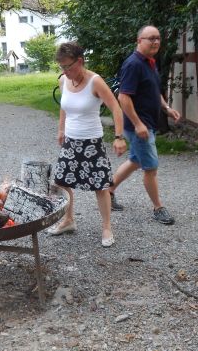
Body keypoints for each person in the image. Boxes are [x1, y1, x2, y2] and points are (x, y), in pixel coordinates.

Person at [48, 42, 127, 247]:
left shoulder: (95, 82)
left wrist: (119, 137)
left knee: (100, 186)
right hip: (70, 141)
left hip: (92, 143)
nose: (65, 71)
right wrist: (61, 129)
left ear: (80, 61)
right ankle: (68, 220)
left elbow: (116, 108)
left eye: (68, 66)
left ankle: (107, 227)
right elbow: (64, 106)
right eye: (61, 67)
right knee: (62, 181)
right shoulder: (64, 80)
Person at [108, 25, 181, 225]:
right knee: (151, 167)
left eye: (158, 38)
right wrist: (138, 124)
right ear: (139, 41)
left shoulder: (149, 62)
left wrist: (167, 108)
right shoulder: (134, 64)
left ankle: (109, 191)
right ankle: (158, 208)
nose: (155, 42)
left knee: (135, 160)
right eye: (151, 38)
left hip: (145, 123)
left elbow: (153, 90)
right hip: (139, 126)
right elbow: (123, 97)